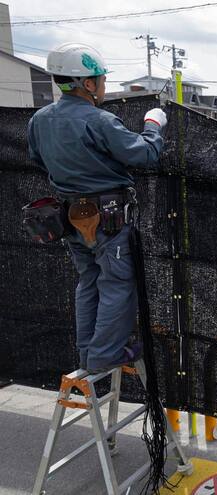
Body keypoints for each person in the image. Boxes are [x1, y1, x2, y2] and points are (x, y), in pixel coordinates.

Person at [26, 43, 166, 374]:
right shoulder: (99, 120)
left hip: (72, 218)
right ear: (87, 84)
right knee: (116, 285)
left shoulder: (39, 120)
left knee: (88, 281)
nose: (103, 85)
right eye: (100, 79)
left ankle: (88, 353)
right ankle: (106, 353)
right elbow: (144, 154)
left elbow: (37, 158)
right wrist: (153, 125)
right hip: (109, 220)